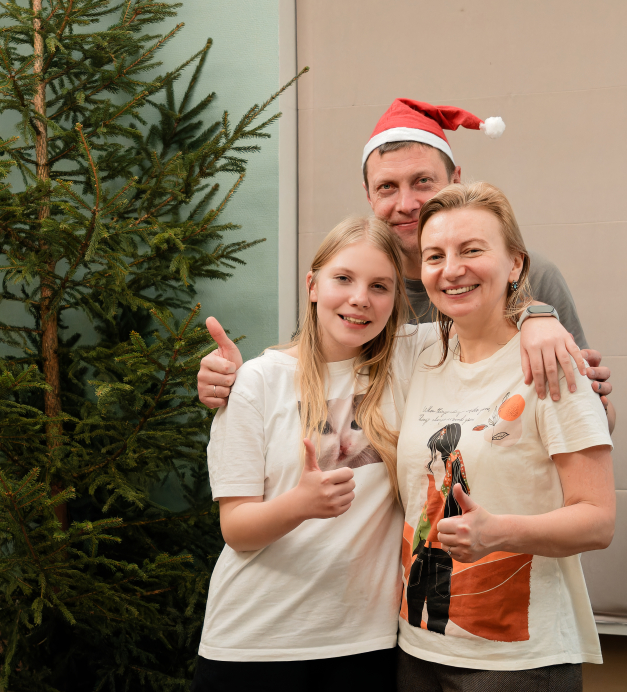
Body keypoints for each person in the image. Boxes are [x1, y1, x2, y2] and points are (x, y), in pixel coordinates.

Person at [192, 217, 583, 692]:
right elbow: (236, 530)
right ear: (312, 285)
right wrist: (300, 504)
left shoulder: (414, 356)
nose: (360, 298)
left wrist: (539, 317)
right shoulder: (256, 381)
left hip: (368, 643)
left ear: (397, 299)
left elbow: (486, 308)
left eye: (379, 286)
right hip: (256, 642)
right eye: (343, 279)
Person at [196, 98, 612, 410]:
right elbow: (308, 370)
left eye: (423, 182)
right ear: (369, 195)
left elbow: (595, 414)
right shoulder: (357, 290)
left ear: (456, 179)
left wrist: (535, 314)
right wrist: (236, 381)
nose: (407, 204)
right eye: (387, 188)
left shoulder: (529, 276)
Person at [396, 182, 615, 692]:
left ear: (516, 264)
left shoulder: (553, 363)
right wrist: (234, 375)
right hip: (417, 645)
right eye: (435, 256)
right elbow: (333, 343)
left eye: (472, 250)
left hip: (518, 659)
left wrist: (498, 533)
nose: (452, 269)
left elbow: (598, 521)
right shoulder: (418, 356)